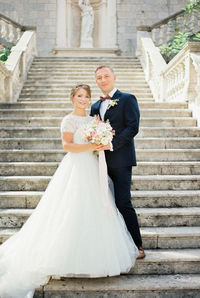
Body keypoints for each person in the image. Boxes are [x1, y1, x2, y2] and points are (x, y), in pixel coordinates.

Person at [0, 84, 139, 298]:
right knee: (71, 208)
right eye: (80, 96)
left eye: (86, 96)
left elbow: (105, 136)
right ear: (73, 98)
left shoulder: (94, 119)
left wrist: (100, 141)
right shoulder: (69, 120)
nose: (83, 100)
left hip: (93, 169)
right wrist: (92, 146)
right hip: (75, 168)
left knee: (97, 208)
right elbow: (67, 145)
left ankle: (96, 257)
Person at [90, 66, 146, 259]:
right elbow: (92, 129)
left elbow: (133, 127)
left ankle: (137, 245)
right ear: (96, 81)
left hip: (121, 160)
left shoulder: (127, 99)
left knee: (123, 202)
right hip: (99, 161)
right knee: (103, 203)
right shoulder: (96, 105)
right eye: (99, 77)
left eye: (106, 76)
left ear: (114, 77)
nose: (103, 79)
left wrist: (111, 144)